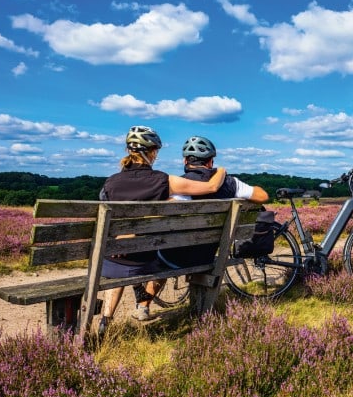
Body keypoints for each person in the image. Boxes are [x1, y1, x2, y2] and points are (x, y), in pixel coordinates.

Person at [97, 126, 228, 334]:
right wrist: (221, 170)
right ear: (153, 153)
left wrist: (124, 235)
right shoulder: (163, 180)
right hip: (149, 261)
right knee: (163, 252)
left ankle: (106, 320)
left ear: (128, 151)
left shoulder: (110, 184)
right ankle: (143, 303)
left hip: (112, 262)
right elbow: (211, 188)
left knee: (118, 259)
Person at [158, 135, 269, 269]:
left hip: (174, 257)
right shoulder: (230, 183)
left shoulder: (179, 186)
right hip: (207, 256)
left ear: (184, 161)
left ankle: (145, 291)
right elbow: (262, 196)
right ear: (210, 162)